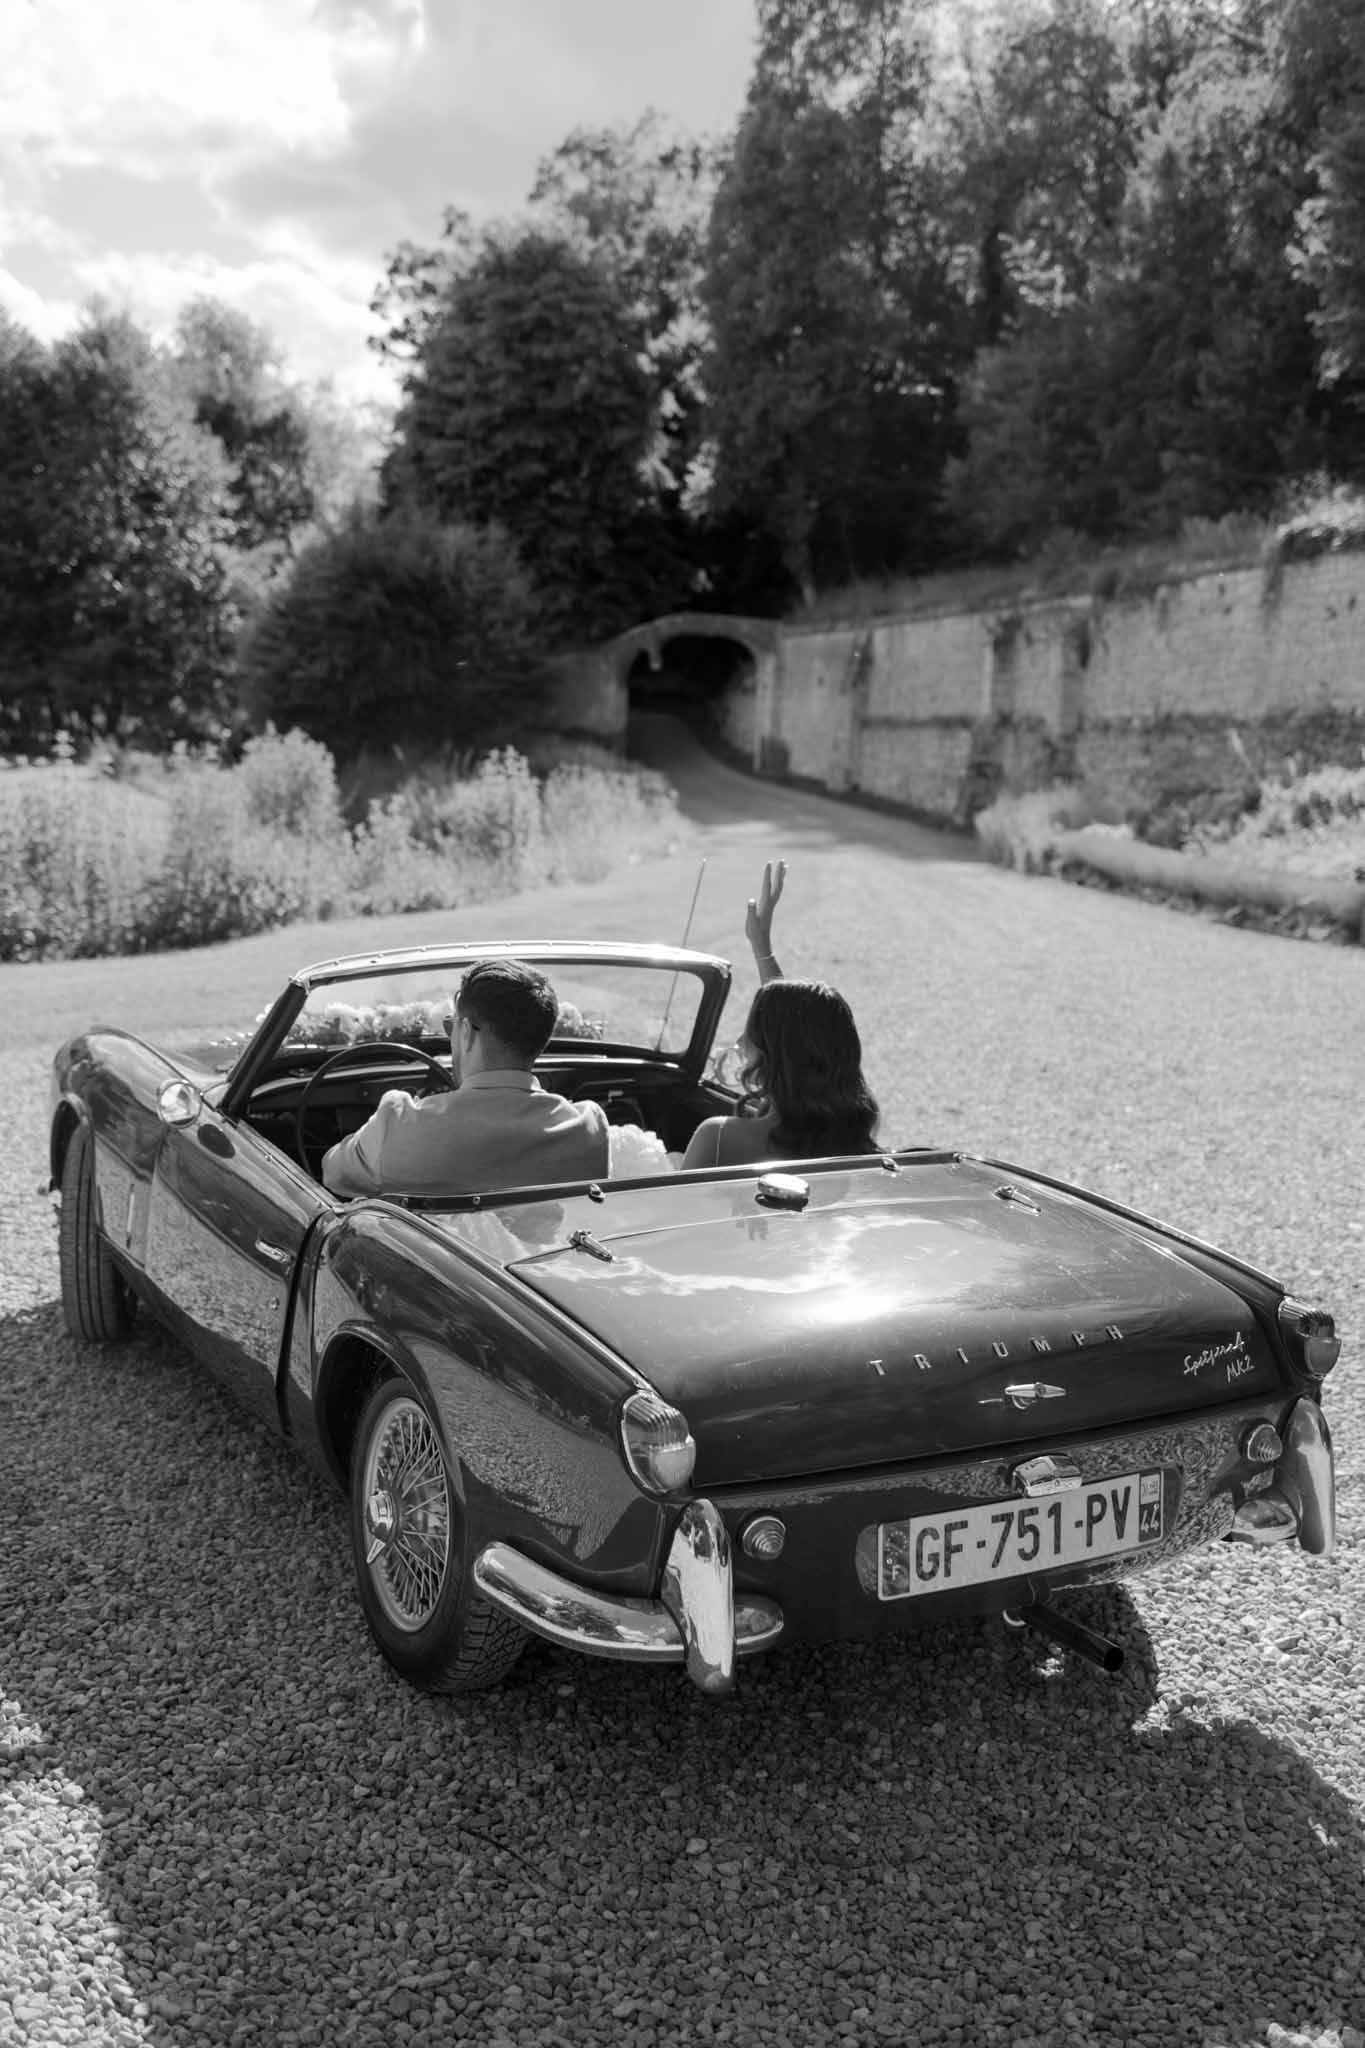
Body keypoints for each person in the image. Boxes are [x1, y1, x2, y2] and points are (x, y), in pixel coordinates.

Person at [321, 959, 609, 1199]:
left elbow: (332, 1172)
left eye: (451, 1025)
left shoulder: (397, 1123)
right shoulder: (587, 1129)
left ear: (468, 1033)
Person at [682, 861, 880, 1168]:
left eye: (749, 1033)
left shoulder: (719, 1139)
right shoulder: (858, 1150)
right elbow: (797, 1027)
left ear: (770, 1057)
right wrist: (762, 948)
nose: (741, 1040)